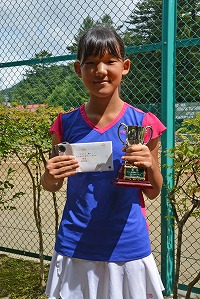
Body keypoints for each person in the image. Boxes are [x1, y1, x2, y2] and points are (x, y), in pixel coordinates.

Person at [41, 26, 166, 299]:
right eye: (91, 63)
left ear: (125, 66)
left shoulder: (144, 124)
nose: (100, 71)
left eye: (110, 61)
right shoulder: (65, 123)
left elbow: (154, 191)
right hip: (75, 245)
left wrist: (151, 165)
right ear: (78, 69)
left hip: (128, 245)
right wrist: (49, 176)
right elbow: (53, 185)